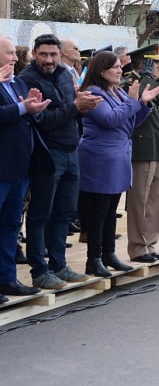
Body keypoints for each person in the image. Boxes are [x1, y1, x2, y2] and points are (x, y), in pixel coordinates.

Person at [19, 33, 102, 290]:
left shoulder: (66, 75)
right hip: (47, 154)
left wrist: (83, 107)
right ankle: (39, 270)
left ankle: (59, 264)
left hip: (70, 151)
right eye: (43, 54)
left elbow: (72, 109)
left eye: (53, 54)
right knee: (41, 213)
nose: (48, 60)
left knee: (64, 212)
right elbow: (41, 121)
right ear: (34, 54)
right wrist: (76, 107)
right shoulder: (27, 80)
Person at [77, 51, 159, 277]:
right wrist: (134, 102)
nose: (118, 70)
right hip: (100, 159)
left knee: (111, 209)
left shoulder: (115, 91)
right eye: (114, 67)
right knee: (98, 210)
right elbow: (109, 119)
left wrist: (143, 104)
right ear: (101, 70)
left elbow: (130, 122)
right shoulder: (93, 91)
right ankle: (93, 258)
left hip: (117, 156)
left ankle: (109, 253)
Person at [0, 36, 51, 300]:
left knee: (10, 226)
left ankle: (7, 279)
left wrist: (34, 108)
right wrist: (22, 107)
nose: (14, 58)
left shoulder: (17, 82)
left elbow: (24, 114)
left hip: (20, 167)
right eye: (9, 53)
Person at [122, 44, 159, 263]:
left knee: (154, 200)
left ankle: (149, 244)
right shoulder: (129, 82)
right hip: (141, 149)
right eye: (155, 63)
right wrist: (148, 76)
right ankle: (138, 246)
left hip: (155, 147)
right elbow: (142, 98)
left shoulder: (150, 80)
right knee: (139, 201)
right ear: (144, 63)